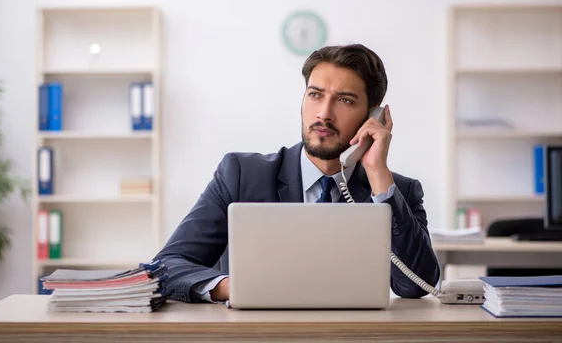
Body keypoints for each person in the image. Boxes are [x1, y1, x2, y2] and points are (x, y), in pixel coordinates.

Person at [152, 43, 440, 303]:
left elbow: (418, 285)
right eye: (315, 95)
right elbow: (166, 266)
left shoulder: (397, 191)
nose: (324, 114)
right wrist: (234, 287)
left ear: (372, 117)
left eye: (345, 100)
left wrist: (378, 173)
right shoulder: (240, 174)